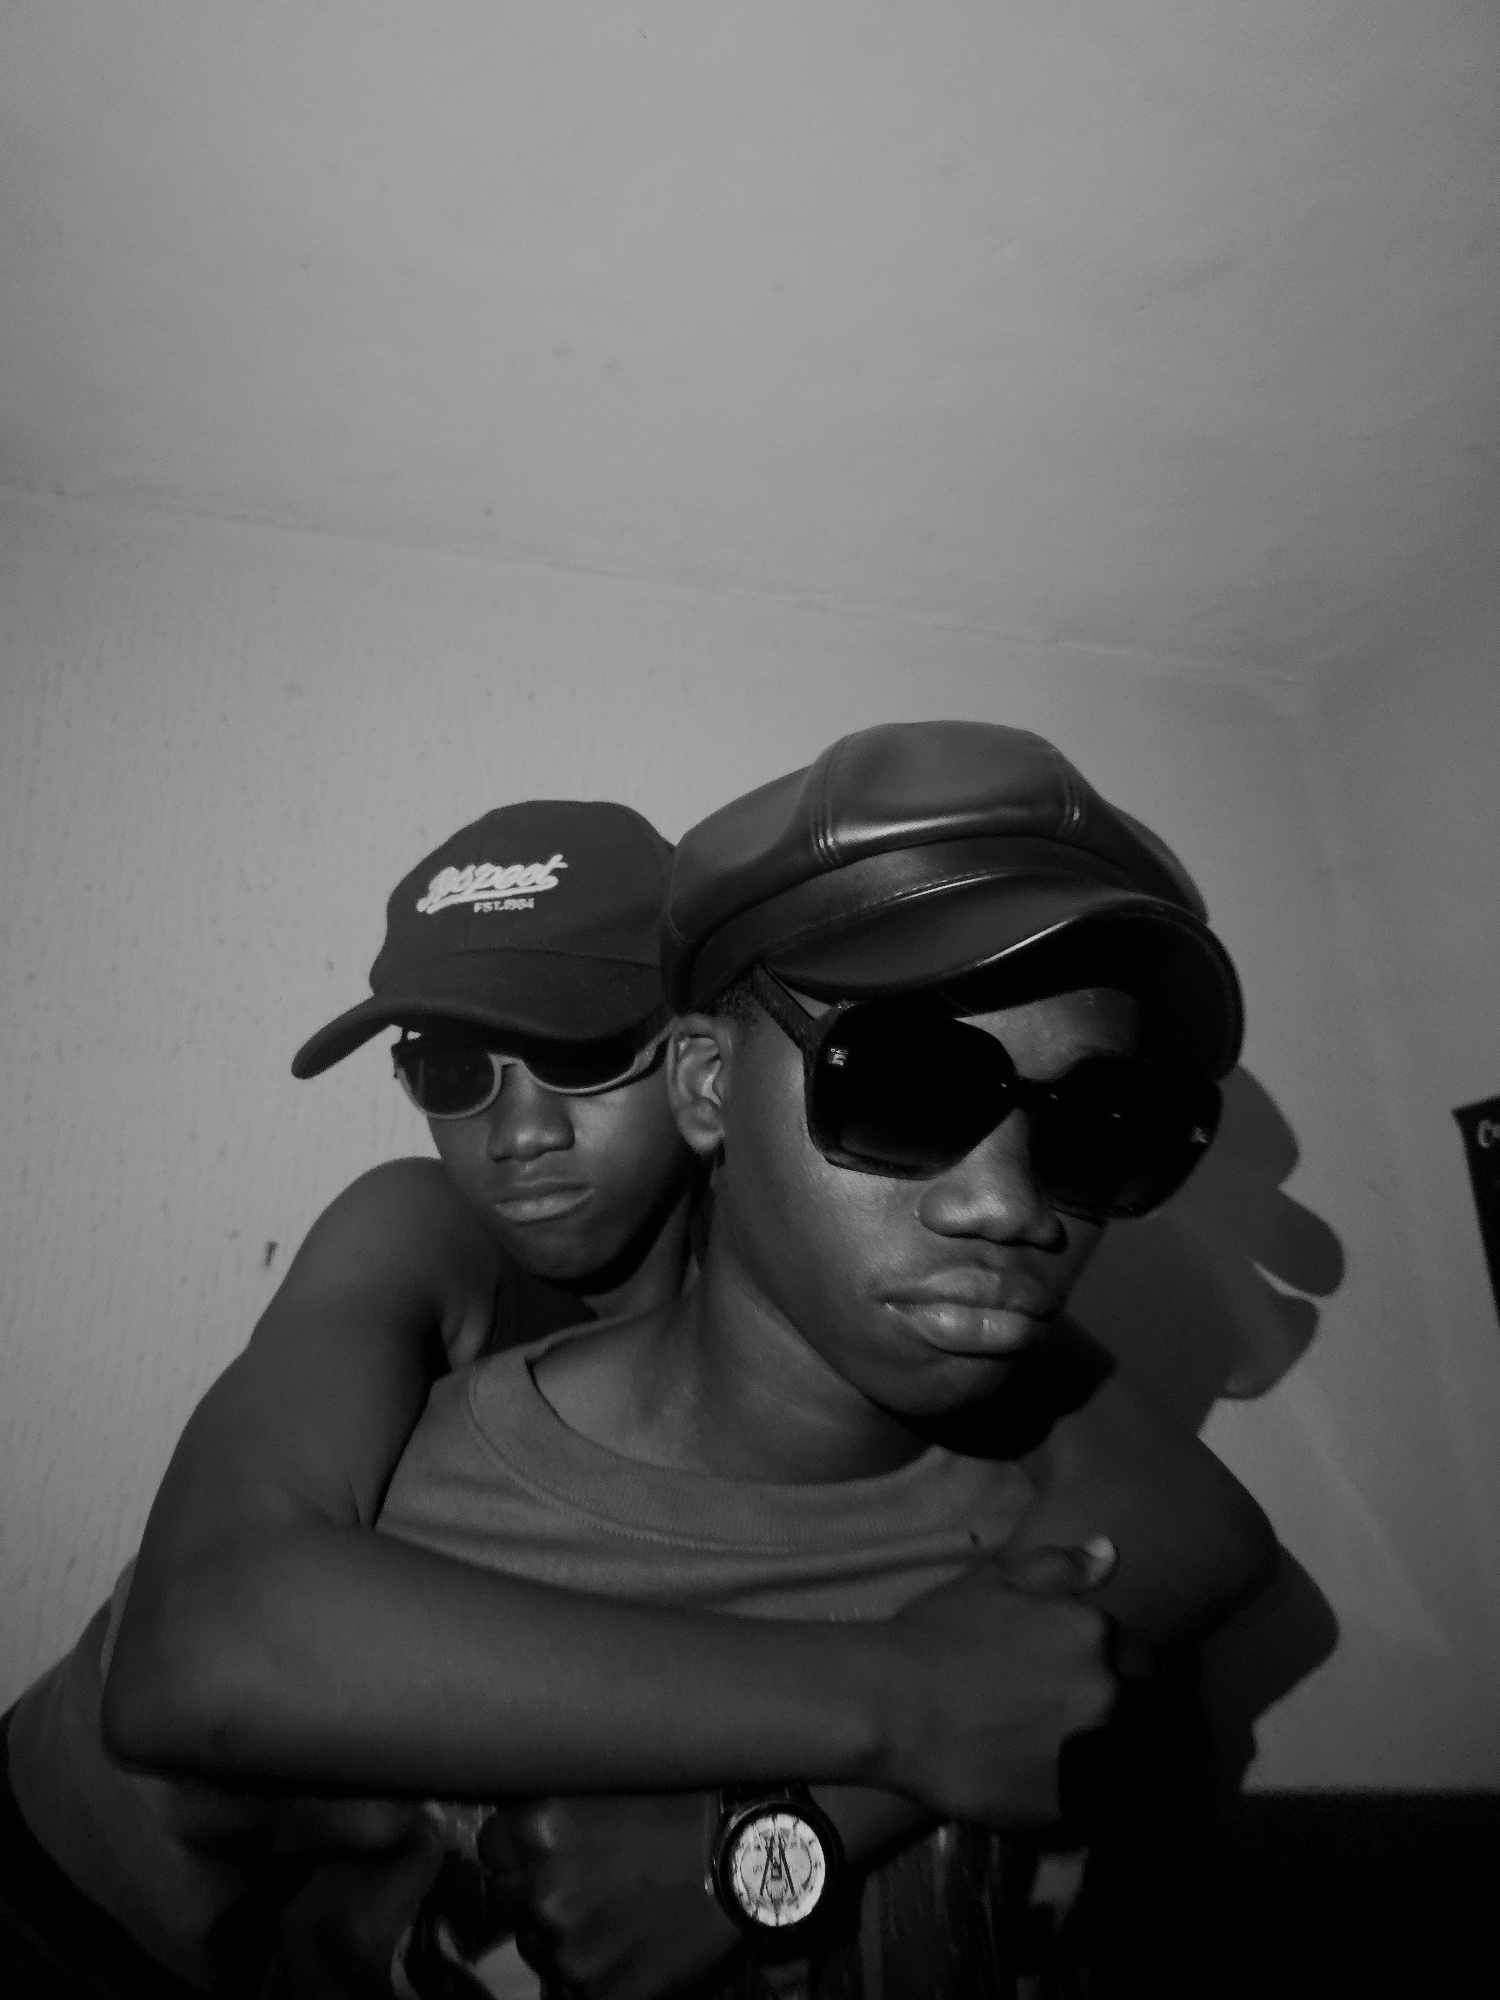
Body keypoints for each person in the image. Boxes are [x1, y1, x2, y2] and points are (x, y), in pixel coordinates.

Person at [2, 773, 1268, 2000]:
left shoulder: (865, 1264)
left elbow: (1185, 1516)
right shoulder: (422, 1234)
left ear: (694, 1062)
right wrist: (904, 1697)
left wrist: (794, 1828)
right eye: (449, 1069)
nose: (518, 1135)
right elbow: (198, 1641)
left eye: (580, 1050)